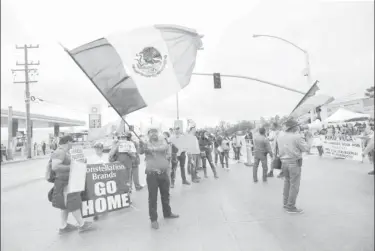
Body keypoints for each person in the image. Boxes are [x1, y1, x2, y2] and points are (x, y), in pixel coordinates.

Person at [50, 135, 94, 234]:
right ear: (68, 142)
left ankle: (63, 226)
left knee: (65, 205)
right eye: (72, 142)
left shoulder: (64, 152)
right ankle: (82, 224)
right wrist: (73, 167)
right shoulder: (60, 152)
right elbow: (55, 167)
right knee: (73, 202)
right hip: (64, 182)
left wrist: (80, 163)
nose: (73, 144)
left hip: (66, 181)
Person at [139, 126, 179, 230]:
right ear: (148, 135)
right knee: (152, 197)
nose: (153, 134)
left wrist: (152, 148)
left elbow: (164, 148)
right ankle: (153, 219)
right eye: (151, 132)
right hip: (152, 174)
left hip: (163, 173)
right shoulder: (145, 143)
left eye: (155, 132)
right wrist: (141, 144)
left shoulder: (162, 141)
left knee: (165, 194)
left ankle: (167, 213)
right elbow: (140, 151)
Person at [277, 119, 310, 214]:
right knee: (294, 185)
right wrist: (308, 139)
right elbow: (306, 148)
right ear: (294, 127)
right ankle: (291, 206)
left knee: (287, 183)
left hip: (284, 162)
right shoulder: (297, 137)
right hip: (294, 163)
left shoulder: (280, 136)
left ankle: (286, 203)